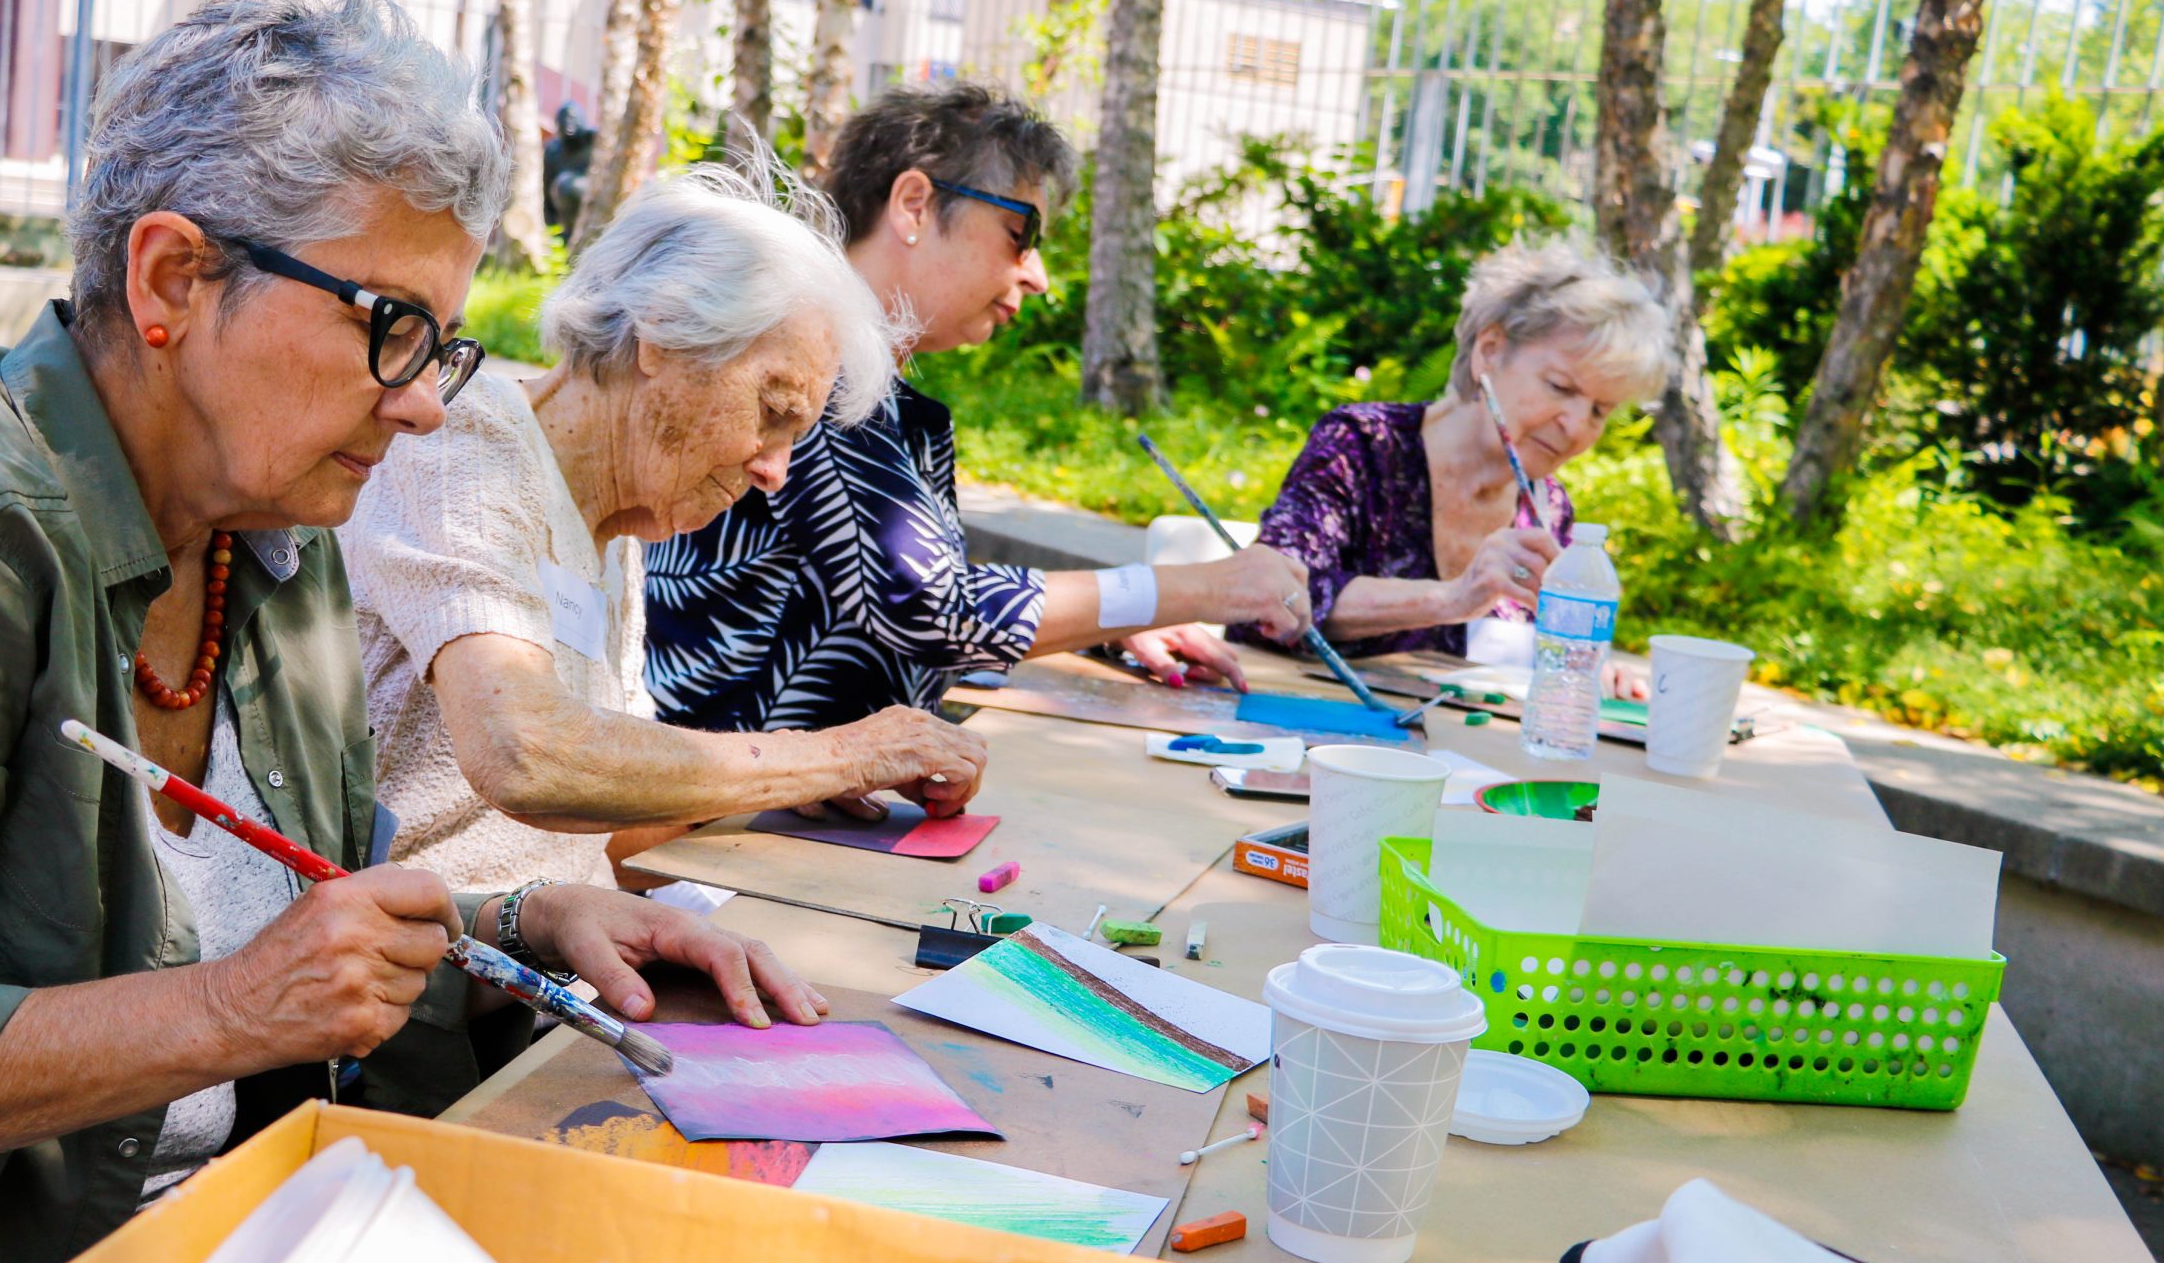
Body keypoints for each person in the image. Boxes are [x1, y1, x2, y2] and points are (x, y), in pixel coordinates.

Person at [0, 0, 822, 1263]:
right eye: (389, 329)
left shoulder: (273, 534)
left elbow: (302, 913)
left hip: (222, 1255)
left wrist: (515, 925)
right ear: (174, 277)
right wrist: (231, 1012)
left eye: (444, 345)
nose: (422, 407)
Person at [643, 84, 1311, 816]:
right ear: (915, 205)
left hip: (758, 812)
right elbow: (933, 606)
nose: (1036, 273)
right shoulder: (814, 373)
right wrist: (1202, 587)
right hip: (694, 834)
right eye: (1021, 233)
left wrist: (1115, 624)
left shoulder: (871, 381)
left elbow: (909, 583)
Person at [341, 154, 985, 891]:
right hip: (420, 972)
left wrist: (789, 780)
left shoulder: (615, 523)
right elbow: (525, 755)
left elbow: (604, 828)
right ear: (663, 335)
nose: (776, 470)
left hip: (538, 963)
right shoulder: (464, 443)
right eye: (772, 412)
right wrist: (839, 754)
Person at [1248, 241, 1670, 676]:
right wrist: (1452, 598)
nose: (1577, 425)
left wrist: (1579, 667)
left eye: (1601, 410)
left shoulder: (1548, 510)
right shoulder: (1362, 448)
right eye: (1561, 387)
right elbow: (1266, 599)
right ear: (1488, 351)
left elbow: (1522, 666)